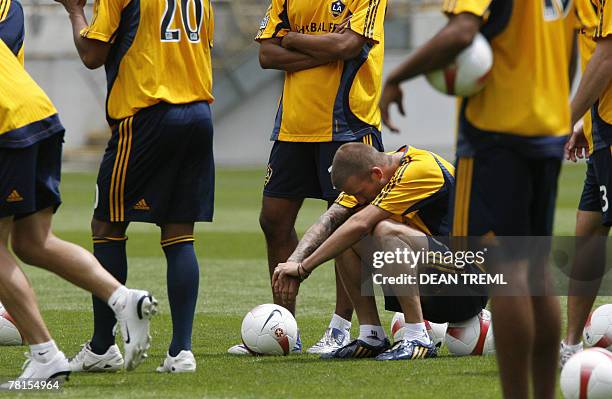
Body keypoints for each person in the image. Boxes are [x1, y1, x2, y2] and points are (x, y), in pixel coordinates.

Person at [379, 1, 575, 397]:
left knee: (507, 275)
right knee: (535, 271)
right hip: (547, 128)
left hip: (495, 135)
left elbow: (460, 33)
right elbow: (568, 52)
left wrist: (397, 75)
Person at [55, 0, 215, 373]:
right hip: (198, 114)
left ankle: (101, 348)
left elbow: (93, 53)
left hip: (146, 114)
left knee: (107, 225)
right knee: (179, 235)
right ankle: (181, 352)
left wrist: (74, 12)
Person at [228, 0, 387, 355]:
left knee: (346, 225)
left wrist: (293, 39)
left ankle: (341, 328)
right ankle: (285, 329)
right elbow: (267, 55)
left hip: (347, 127)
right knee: (273, 220)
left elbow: (349, 46)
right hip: (293, 128)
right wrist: (327, 51)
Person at [0, 37, 156, 384]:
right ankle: (122, 298)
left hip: (7, 125)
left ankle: (45, 355)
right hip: (39, 116)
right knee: (32, 242)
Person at [274, 143, 488, 360]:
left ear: (376, 174)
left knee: (382, 230)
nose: (357, 200)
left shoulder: (421, 169)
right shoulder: (370, 174)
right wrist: (292, 263)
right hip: (433, 283)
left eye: (358, 193)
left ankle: (417, 337)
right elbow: (330, 220)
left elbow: (361, 223)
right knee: (344, 229)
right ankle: (372, 336)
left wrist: (303, 268)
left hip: (468, 285)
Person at [561, 0, 612, 366]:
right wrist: (584, 123)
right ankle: (571, 346)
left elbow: (608, 58)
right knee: (588, 238)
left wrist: (565, 118)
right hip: (600, 132)